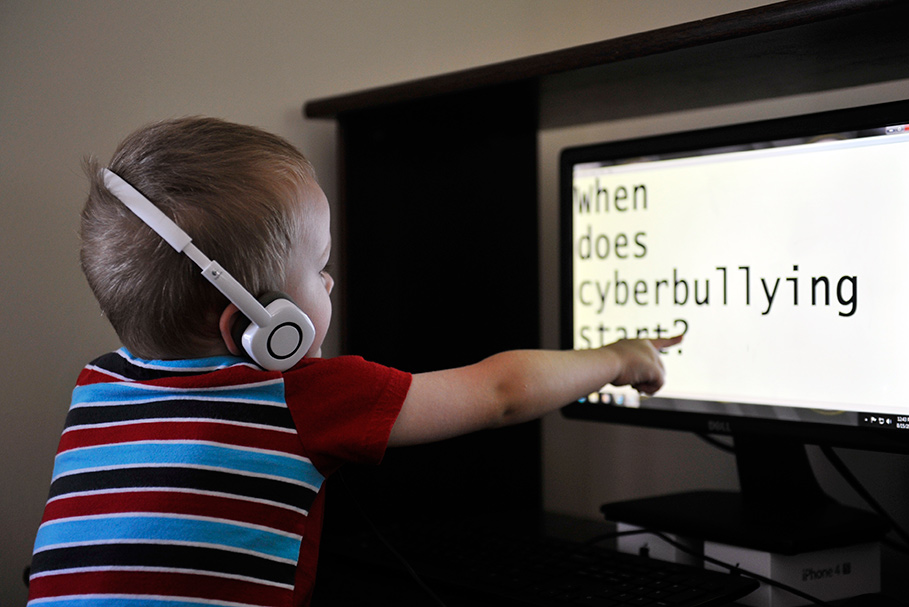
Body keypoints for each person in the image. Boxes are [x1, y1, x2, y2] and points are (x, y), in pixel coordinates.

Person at [28, 117, 681, 607]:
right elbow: (501, 392)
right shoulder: (304, 396)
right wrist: (616, 356)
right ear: (262, 325)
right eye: (318, 267)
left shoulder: (96, 385)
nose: (333, 282)